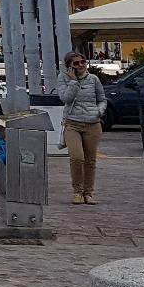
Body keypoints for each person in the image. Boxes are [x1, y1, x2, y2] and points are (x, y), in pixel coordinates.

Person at [58, 53, 106, 205]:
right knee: (77, 157)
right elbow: (65, 98)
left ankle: (88, 193)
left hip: (93, 124)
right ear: (70, 66)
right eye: (76, 63)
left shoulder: (94, 79)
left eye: (83, 62)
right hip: (72, 123)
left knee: (90, 161)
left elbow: (102, 99)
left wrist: (99, 111)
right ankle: (77, 191)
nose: (81, 65)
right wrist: (73, 82)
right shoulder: (64, 79)